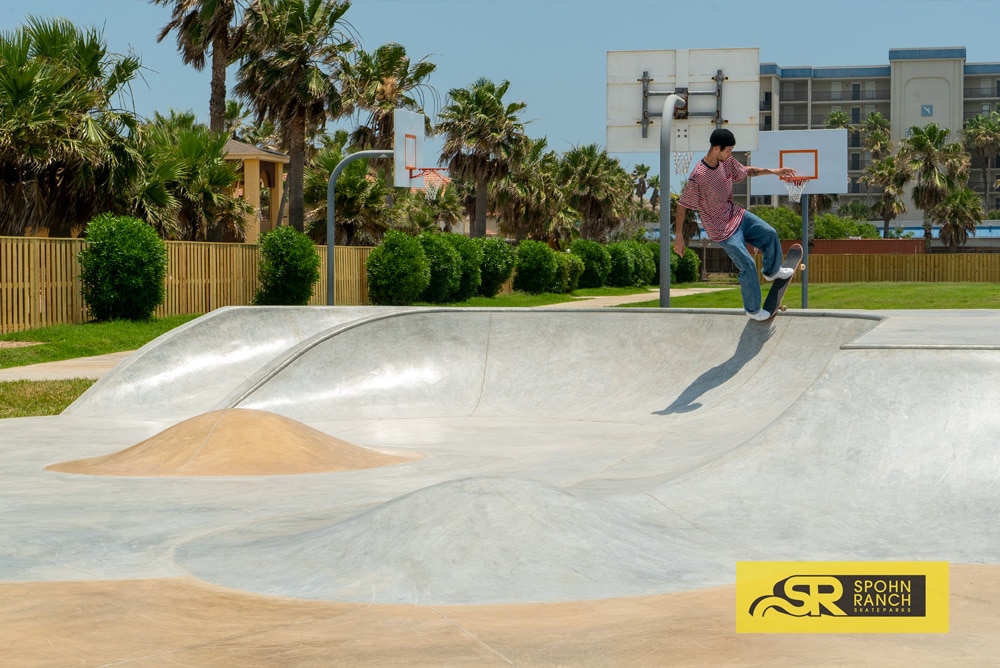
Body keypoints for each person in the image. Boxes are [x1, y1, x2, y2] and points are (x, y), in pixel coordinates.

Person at [673, 128, 796, 321]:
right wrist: (678, 236)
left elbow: (748, 171)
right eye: (728, 150)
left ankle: (772, 271)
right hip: (721, 230)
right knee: (746, 264)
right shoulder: (698, 176)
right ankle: (753, 310)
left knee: (769, 233)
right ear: (716, 148)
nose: (730, 154)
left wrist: (774, 171)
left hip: (736, 215)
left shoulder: (727, 162)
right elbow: (682, 205)